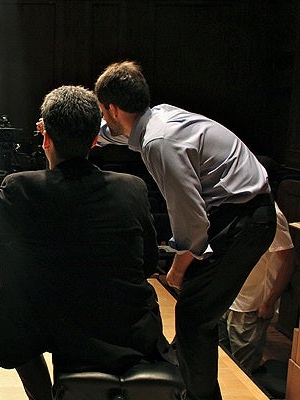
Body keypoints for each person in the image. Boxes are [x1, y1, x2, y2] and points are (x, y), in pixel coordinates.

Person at [0, 85, 174, 400]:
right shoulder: (131, 189)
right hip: (124, 329)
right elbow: (149, 263)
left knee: (14, 327)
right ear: (95, 140)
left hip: (46, 328)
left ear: (46, 139)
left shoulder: (22, 190)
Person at [93, 60, 277, 400]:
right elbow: (113, 132)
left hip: (245, 220)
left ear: (112, 108)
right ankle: (190, 387)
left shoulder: (158, 142)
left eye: (103, 113)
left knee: (193, 315)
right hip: (241, 213)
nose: (105, 121)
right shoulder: (159, 116)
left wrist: (178, 267)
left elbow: (190, 217)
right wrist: (95, 137)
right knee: (196, 312)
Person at [221, 202, 294, 373]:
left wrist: (269, 302)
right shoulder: (234, 206)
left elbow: (288, 261)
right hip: (227, 297)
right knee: (222, 363)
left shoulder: (271, 215)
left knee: (243, 370)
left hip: (251, 304)